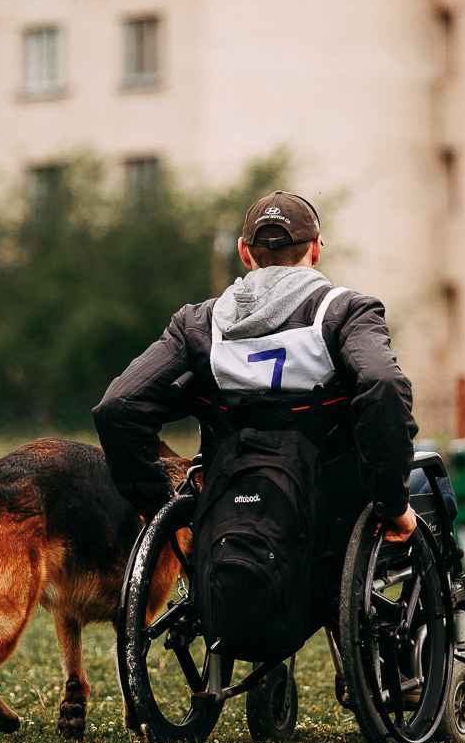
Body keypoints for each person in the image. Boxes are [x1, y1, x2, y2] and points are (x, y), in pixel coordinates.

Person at [93, 190, 420, 563]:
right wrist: (393, 503)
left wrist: (158, 504)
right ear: (316, 249)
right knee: (430, 479)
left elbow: (118, 407)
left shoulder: (197, 325)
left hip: (224, 513)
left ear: (244, 252)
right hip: (333, 521)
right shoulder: (347, 313)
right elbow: (384, 387)